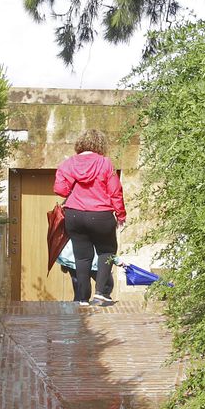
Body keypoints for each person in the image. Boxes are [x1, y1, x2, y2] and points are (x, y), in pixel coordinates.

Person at [54, 129, 126, 307]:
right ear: (100, 145)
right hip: (101, 215)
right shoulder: (105, 164)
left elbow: (60, 190)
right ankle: (101, 293)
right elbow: (115, 191)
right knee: (106, 251)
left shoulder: (67, 164)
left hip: (74, 214)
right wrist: (121, 215)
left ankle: (82, 298)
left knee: (82, 257)